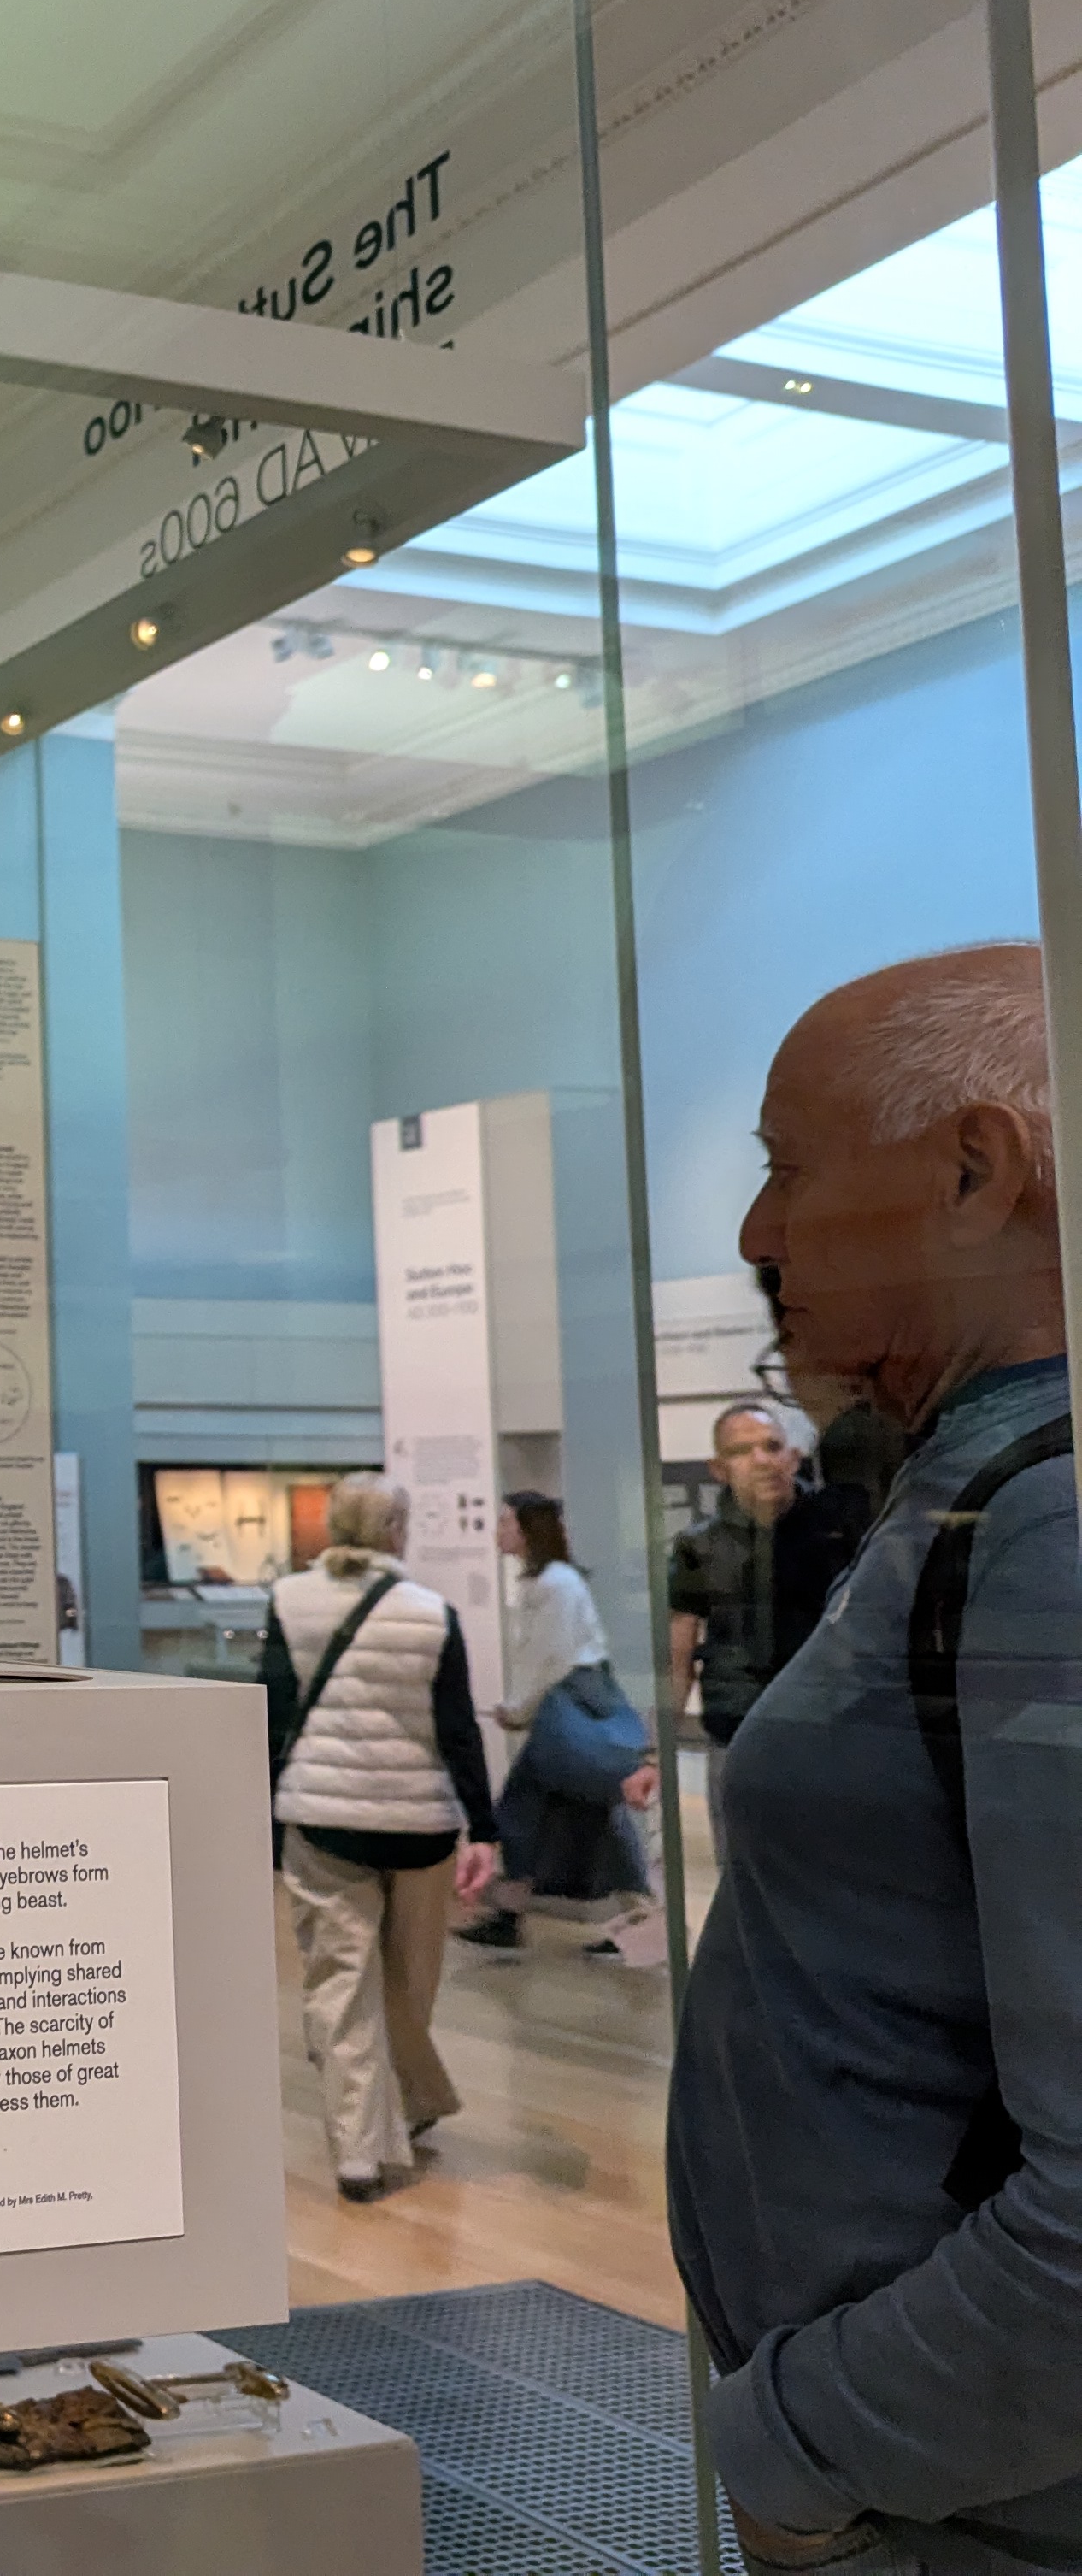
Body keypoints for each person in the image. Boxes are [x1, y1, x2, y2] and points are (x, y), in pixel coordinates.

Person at [673, 943, 1082, 2574]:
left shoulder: (1047, 1518)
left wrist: (800, 2448)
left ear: (977, 1170)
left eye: (787, 1165)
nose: (756, 1233)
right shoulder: (976, 1494)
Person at [259, 1471, 500, 2203]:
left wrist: (262, 1813)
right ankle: (411, 2101)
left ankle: (361, 2150)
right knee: (408, 1983)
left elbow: (272, 1715)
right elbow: (457, 1730)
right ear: (396, 1529)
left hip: (324, 1819)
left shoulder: (289, 1600)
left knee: (340, 1981)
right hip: (419, 1825)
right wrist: (484, 1827)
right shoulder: (430, 1613)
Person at [458, 1490, 664, 1962]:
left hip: (570, 1705)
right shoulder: (549, 1582)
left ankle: (511, 1916)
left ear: (527, 1528)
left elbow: (550, 1660)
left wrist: (517, 1710)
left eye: (506, 1521)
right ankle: (516, 1916)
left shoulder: (554, 1584)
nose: (498, 1530)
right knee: (567, 1813)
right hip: (572, 1703)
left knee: (529, 1807)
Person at [667, 1401, 857, 1846]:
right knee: (741, 1868)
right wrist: (658, 1750)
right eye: (741, 1451)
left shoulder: (837, 1532)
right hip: (737, 1735)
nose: (761, 1460)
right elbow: (678, 1655)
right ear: (719, 1468)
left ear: (792, 1457)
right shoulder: (700, 1546)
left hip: (825, 1737)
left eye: (772, 1447)